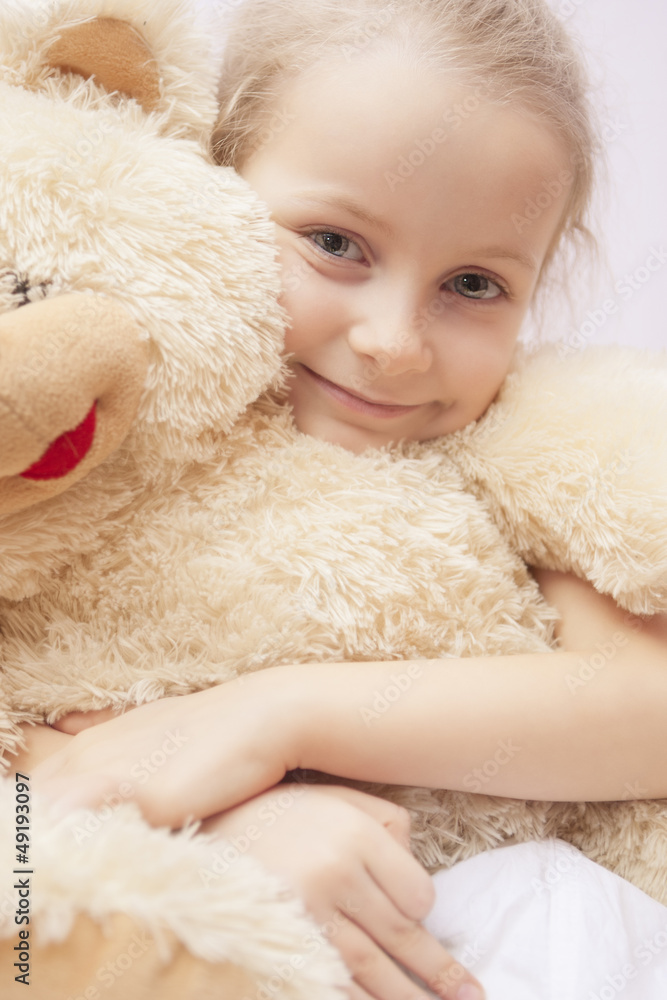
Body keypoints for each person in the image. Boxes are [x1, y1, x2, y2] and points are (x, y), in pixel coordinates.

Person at [17, 0, 667, 997]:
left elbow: (644, 712)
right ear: (209, 183)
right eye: (335, 242)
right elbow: (34, 806)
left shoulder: (513, 443)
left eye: (474, 284)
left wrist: (275, 716)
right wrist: (231, 827)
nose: (393, 341)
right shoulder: (91, 435)